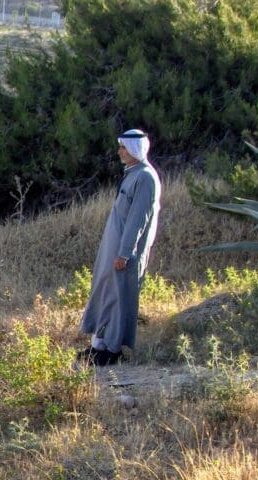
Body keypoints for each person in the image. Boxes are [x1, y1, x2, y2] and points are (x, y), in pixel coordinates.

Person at [78, 129, 161, 366]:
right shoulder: (133, 174)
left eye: (123, 147)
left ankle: (112, 350)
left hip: (124, 252)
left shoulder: (145, 177)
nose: (119, 151)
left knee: (119, 297)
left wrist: (125, 253)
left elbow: (137, 220)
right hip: (113, 247)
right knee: (105, 293)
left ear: (134, 149)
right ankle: (98, 346)